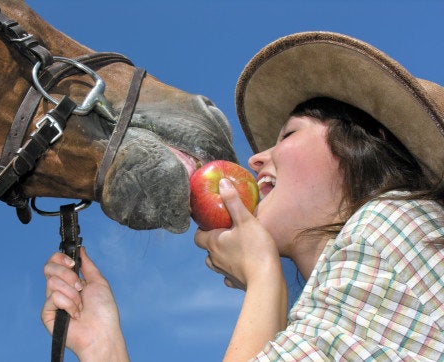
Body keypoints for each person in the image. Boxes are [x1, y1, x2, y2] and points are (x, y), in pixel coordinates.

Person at [41, 31, 444, 361]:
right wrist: (102, 348)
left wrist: (264, 275)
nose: (255, 158)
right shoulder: (328, 302)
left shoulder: (392, 224)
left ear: (366, 144)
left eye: (288, 134)